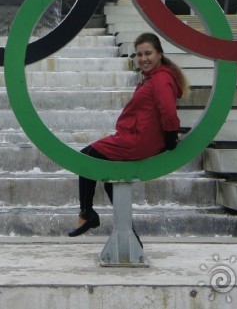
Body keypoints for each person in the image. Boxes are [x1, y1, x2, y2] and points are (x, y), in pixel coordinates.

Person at [67, 32, 189, 237]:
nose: (143, 59)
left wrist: (170, 138)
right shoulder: (152, 78)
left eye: (148, 53)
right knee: (111, 177)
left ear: (159, 54)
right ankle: (129, 233)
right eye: (139, 54)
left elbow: (168, 111)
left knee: (87, 157)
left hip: (139, 141)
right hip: (137, 137)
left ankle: (87, 213)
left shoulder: (160, 79)